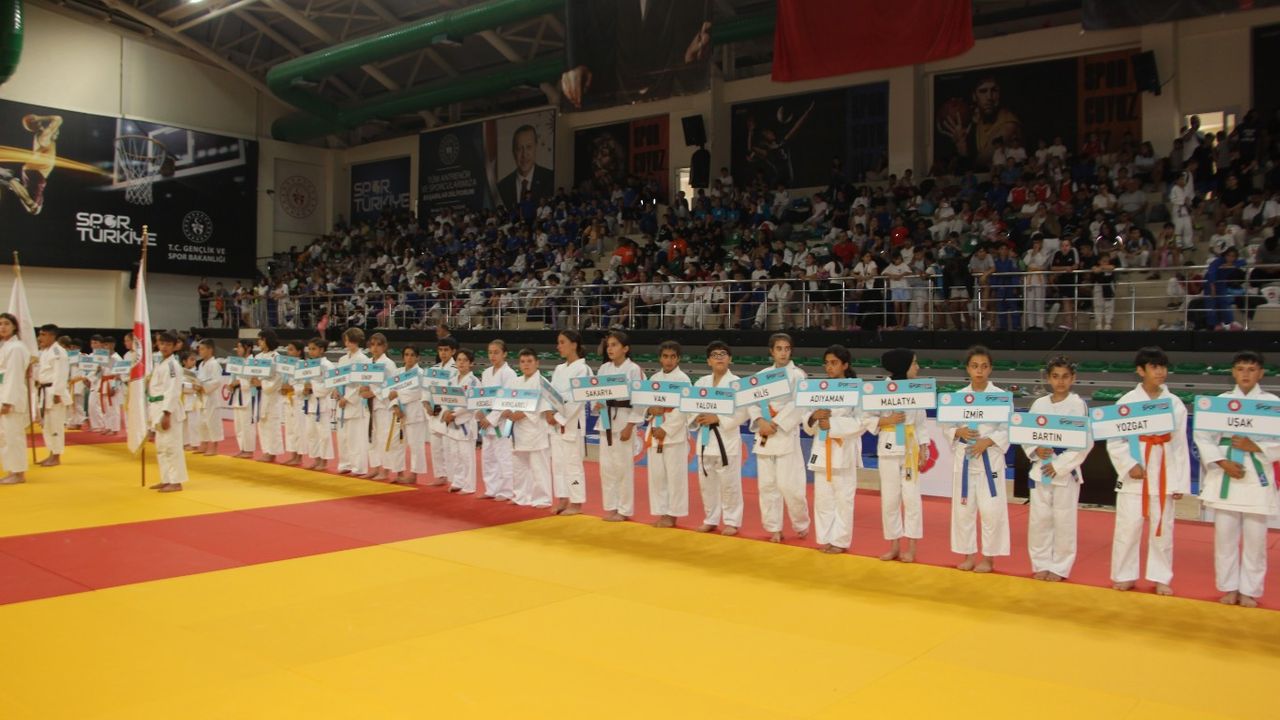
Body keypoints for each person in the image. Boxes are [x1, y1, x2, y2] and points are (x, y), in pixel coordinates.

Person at [1192, 351, 1279, 608]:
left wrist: (1256, 446)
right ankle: (1229, 587)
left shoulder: (1272, 404)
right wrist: (1222, 462)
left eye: (1251, 369)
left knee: (1256, 541)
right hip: (1226, 473)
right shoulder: (1220, 402)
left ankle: (1250, 590)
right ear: (1233, 372)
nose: (1245, 374)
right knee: (1225, 538)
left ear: (1261, 373)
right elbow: (1203, 437)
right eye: (1241, 369)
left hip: (1256, 476)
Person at [1107, 346, 1189, 596]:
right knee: (1127, 529)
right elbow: (1114, 440)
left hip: (1164, 473)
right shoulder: (1126, 402)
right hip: (1135, 474)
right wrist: (1128, 464)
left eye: (1163, 367)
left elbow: (1179, 444)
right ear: (1140, 371)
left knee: (1163, 531)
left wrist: (1179, 483)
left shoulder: (1175, 403)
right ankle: (1124, 575)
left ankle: (1161, 577)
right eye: (1154, 367)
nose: (1160, 372)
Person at [945, 346, 1011, 573]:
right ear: (968, 369)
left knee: (991, 511)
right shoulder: (957, 397)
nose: (979, 371)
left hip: (989, 458)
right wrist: (958, 431)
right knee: (964, 510)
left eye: (984, 366)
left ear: (990, 369)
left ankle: (989, 558)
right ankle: (968, 555)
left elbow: (1007, 428)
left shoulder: (1000, 397)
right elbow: (946, 425)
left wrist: (988, 441)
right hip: (964, 458)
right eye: (974, 366)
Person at [1024, 356, 1088, 581]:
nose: (1060, 381)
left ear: (1073, 378)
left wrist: (1059, 466)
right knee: (1039, 520)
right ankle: (1040, 563)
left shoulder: (1078, 405)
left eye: (1065, 377)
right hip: (1040, 470)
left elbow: (1084, 442)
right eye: (1055, 376)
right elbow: (1026, 434)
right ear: (1048, 378)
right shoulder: (1039, 405)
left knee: (1064, 521)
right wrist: (1035, 450)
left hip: (1065, 472)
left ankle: (1060, 567)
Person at [803, 345, 865, 554]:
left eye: (834, 363)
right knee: (823, 499)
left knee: (843, 500)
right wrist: (813, 417)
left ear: (845, 365)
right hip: (821, 450)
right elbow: (807, 420)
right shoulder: (818, 389)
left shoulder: (856, 389)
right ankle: (826, 538)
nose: (829, 367)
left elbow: (861, 422)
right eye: (827, 363)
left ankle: (840, 541)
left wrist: (833, 425)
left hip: (843, 450)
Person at [749, 333, 809, 543]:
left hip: (784, 433)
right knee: (767, 486)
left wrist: (776, 423)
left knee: (790, 486)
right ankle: (774, 528)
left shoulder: (797, 375)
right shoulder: (762, 375)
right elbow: (752, 401)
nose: (783, 353)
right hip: (764, 435)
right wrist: (760, 421)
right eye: (779, 349)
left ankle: (801, 523)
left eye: (787, 349)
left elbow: (799, 403)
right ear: (771, 351)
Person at [869, 348, 928, 563]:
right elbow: (868, 418)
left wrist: (924, 447)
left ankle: (911, 547)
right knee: (890, 499)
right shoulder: (880, 390)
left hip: (910, 448)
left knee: (912, 498)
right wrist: (888, 420)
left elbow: (921, 422)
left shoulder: (916, 389)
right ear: (903, 365)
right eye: (914, 363)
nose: (917, 367)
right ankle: (894, 545)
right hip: (888, 447)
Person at [690, 341, 749, 535]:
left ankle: (732, 521)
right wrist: (697, 417)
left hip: (726, 439)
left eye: (723, 354)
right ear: (709, 361)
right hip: (705, 439)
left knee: (730, 484)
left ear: (730, 359)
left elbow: (743, 412)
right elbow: (690, 406)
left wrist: (718, 418)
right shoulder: (701, 383)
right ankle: (710, 519)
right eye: (715, 355)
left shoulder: (737, 383)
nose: (719, 358)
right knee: (706, 483)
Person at [595, 330, 643, 521]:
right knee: (606, 468)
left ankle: (624, 509)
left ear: (625, 348)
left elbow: (639, 400)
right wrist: (597, 404)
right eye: (608, 345)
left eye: (614, 345)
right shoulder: (603, 369)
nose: (610, 348)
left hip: (624, 418)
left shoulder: (633, 369)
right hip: (605, 419)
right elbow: (596, 393)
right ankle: (611, 506)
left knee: (623, 468)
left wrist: (630, 425)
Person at [644, 340, 691, 528]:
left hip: (673, 436)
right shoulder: (653, 379)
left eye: (672, 357)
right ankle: (662, 512)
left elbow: (684, 409)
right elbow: (643, 403)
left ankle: (673, 514)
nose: (669, 360)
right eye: (665, 356)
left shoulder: (683, 380)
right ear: (660, 358)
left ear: (678, 359)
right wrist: (649, 410)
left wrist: (666, 428)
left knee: (675, 477)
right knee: (657, 477)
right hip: (654, 431)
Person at [546, 330, 592, 515]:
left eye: (562, 342)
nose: (559, 346)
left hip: (572, 423)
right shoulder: (559, 369)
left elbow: (576, 400)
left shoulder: (583, 369)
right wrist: (549, 412)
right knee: (558, 463)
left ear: (574, 345)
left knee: (573, 465)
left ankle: (577, 502)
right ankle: (563, 498)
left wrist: (558, 417)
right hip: (556, 423)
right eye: (558, 342)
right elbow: (550, 394)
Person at [504, 348, 553, 508]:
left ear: (537, 363)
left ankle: (542, 498)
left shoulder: (542, 382)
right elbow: (506, 400)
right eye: (523, 362)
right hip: (518, 430)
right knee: (519, 466)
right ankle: (521, 496)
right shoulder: (515, 382)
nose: (526, 364)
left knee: (539, 467)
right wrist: (508, 411)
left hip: (535, 430)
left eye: (530, 361)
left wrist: (523, 414)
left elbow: (544, 405)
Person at [147, 332, 188, 493]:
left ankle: (176, 481)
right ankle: (166, 479)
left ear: (174, 346)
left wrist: (167, 413)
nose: (164, 347)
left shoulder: (173, 365)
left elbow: (173, 390)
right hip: (157, 406)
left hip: (168, 409)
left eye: (168, 344)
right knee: (162, 447)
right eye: (162, 344)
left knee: (172, 446)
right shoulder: (160, 363)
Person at [0, 114, 63, 215]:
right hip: (36, 172)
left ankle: (10, 182)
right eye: (55, 130)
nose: (58, 133)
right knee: (34, 208)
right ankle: (9, 180)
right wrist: (39, 118)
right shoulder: (44, 136)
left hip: (33, 171)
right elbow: (58, 119)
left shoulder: (41, 137)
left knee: (34, 209)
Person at [478, 340, 517, 501]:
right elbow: (481, 396)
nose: (492, 356)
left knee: (504, 457)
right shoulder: (486, 373)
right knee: (488, 456)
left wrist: (491, 418)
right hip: (486, 420)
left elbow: (507, 399)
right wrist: (480, 412)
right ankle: (491, 489)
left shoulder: (509, 374)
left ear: (504, 354)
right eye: (490, 352)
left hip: (502, 422)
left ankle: (507, 490)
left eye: (496, 352)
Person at [364, 333, 403, 481]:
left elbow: (392, 386)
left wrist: (374, 393)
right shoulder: (368, 363)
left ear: (385, 347)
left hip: (384, 406)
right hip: (369, 405)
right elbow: (363, 381)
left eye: (378, 345)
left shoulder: (388, 364)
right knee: (372, 437)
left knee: (384, 438)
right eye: (372, 345)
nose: (375, 348)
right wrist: (363, 389)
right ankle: (375, 467)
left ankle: (385, 470)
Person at [0, 313, 32, 485]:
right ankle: (12, 470)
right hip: (3, 393)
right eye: (0, 324)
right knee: (5, 437)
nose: (2, 327)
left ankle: (18, 473)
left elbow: (13, 376)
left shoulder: (17, 348)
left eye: (6, 323)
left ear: (14, 327)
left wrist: (7, 402)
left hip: (11, 398)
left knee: (13, 436)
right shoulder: (5, 346)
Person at [335, 327, 371, 477]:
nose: (347, 343)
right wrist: (336, 390)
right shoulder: (342, 359)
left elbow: (362, 383)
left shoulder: (363, 359)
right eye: (346, 340)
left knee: (355, 437)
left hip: (355, 401)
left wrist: (348, 397)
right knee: (343, 436)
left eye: (350, 340)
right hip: (341, 399)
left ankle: (358, 467)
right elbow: (337, 378)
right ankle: (345, 463)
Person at [443, 349, 480, 494]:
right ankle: (458, 481)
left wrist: (454, 414)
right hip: (452, 422)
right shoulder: (451, 380)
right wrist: (446, 411)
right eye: (459, 360)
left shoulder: (474, 382)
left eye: (465, 360)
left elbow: (471, 404)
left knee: (466, 455)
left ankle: (469, 485)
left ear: (471, 363)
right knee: (455, 454)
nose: (461, 363)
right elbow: (444, 398)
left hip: (465, 422)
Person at [390, 346, 427, 484]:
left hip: (414, 412)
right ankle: (399, 472)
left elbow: (417, 393)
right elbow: (390, 391)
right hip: (398, 413)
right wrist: (395, 406)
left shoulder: (420, 373)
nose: (409, 357)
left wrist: (398, 394)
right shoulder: (398, 372)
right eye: (406, 354)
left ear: (417, 357)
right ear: (403, 357)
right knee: (397, 443)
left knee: (415, 445)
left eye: (412, 355)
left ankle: (413, 474)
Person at [35, 324, 70, 467]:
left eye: (43, 335)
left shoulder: (58, 351)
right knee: (47, 426)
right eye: (40, 334)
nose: (40, 338)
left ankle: (56, 456)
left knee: (55, 425)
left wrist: (57, 393)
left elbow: (61, 374)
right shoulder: (45, 351)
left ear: (52, 336)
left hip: (54, 392)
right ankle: (51, 453)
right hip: (45, 391)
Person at [426, 336, 458, 486]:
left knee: (448, 447)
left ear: (453, 351)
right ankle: (440, 475)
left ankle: (453, 477)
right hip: (433, 412)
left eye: (446, 350)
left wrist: (448, 410)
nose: (443, 353)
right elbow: (425, 390)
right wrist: (426, 405)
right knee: (436, 447)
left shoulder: (456, 370)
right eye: (440, 350)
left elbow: (454, 392)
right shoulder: (433, 370)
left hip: (446, 411)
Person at [497, 125, 555, 208]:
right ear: (513, 152)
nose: (524, 154)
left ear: (536, 147)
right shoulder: (502, 186)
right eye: (519, 148)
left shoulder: (550, 179)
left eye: (529, 147)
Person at [300, 337, 334, 471]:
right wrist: (305, 389)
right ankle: (316, 459)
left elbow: (328, 386)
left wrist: (313, 386)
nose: (311, 351)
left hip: (322, 404)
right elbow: (303, 383)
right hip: (310, 403)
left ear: (321, 350)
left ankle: (324, 461)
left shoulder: (328, 365)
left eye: (314, 349)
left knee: (323, 435)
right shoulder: (308, 365)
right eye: (309, 349)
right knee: (311, 434)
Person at [251, 330, 283, 463]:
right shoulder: (258, 357)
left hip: (271, 395)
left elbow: (278, 378)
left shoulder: (277, 357)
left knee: (272, 424)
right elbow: (253, 373)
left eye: (261, 339)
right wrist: (253, 380)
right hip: (259, 395)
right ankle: (266, 450)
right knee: (262, 423)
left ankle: (273, 452)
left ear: (267, 340)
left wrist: (262, 384)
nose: (259, 342)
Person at [194, 339, 224, 457]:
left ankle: (214, 446)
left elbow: (217, 381)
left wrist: (204, 387)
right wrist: (196, 385)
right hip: (201, 396)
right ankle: (203, 443)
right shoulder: (201, 364)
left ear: (210, 349)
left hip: (211, 397)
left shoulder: (214, 364)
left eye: (202, 349)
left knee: (212, 422)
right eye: (199, 349)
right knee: (201, 422)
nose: (200, 351)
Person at [278, 341, 306, 466]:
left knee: (298, 429)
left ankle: (299, 457)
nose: (288, 352)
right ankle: (293, 455)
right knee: (290, 430)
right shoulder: (287, 366)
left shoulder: (303, 365)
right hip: (287, 400)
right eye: (288, 349)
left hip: (298, 400)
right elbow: (284, 381)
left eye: (291, 349)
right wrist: (283, 388)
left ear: (299, 352)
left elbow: (303, 384)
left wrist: (291, 388)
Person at [229, 340, 257, 458]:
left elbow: (253, 380)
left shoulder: (253, 362)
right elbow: (233, 378)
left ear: (248, 348)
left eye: (240, 347)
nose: (238, 349)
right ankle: (242, 448)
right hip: (237, 395)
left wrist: (239, 382)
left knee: (247, 425)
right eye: (237, 347)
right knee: (239, 425)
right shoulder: (238, 362)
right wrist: (231, 384)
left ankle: (249, 450)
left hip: (248, 396)